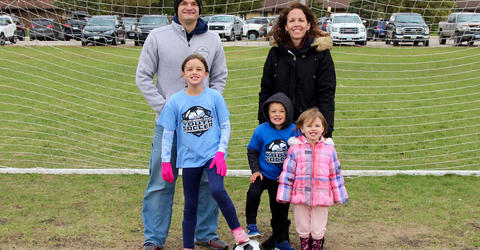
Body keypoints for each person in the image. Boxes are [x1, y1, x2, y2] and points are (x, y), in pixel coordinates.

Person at [135, 0, 228, 248]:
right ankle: (153, 238)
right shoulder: (157, 37)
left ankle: (206, 233)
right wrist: (165, 109)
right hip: (168, 128)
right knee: (161, 180)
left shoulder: (213, 39)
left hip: (203, 130)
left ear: (199, 8)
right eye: (184, 3)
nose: (189, 7)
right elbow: (142, 76)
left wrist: (210, 105)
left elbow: (219, 76)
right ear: (176, 8)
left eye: (194, 3)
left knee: (208, 181)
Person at [158, 54, 250, 250]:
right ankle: (188, 246)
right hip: (189, 159)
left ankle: (239, 233)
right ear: (183, 73)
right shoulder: (175, 101)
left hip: (212, 156)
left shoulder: (214, 97)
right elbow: (167, 133)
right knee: (190, 204)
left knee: (217, 190)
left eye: (199, 69)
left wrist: (220, 153)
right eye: (190, 69)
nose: (194, 72)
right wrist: (166, 161)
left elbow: (225, 126)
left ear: (206, 73)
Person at [258, 2, 337, 139]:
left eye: (301, 20)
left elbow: (327, 94)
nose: (296, 24)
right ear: (286, 26)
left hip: (310, 127)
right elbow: (266, 91)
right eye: (292, 20)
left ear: (308, 25)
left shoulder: (321, 54)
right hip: (280, 127)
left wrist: (326, 130)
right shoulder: (275, 54)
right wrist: (263, 124)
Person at [277, 108, 349, 250]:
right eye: (309, 126)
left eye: (317, 126)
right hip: (300, 195)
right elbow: (288, 173)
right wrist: (284, 195)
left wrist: (339, 195)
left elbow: (335, 173)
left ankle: (316, 245)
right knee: (302, 224)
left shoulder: (329, 150)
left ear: (323, 129)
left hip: (322, 196)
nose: (313, 129)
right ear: (302, 128)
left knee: (318, 227)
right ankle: (305, 244)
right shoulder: (295, 149)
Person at [245, 92, 296, 250]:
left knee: (280, 210)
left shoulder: (295, 130)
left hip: (282, 179)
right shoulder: (261, 130)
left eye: (281, 111)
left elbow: (299, 153)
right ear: (267, 113)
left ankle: (281, 241)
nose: (277, 114)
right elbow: (252, 150)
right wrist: (255, 170)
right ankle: (251, 225)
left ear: (288, 112)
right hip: (264, 174)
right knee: (253, 192)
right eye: (273, 111)